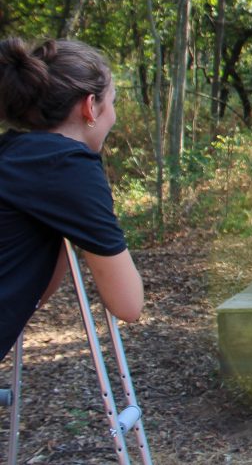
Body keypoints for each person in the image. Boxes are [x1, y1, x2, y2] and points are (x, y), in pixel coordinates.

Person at [1, 38, 144, 361]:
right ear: (90, 106)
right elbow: (129, 303)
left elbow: (31, 295)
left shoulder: (11, 153)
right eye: (113, 101)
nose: (115, 116)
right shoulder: (67, 166)